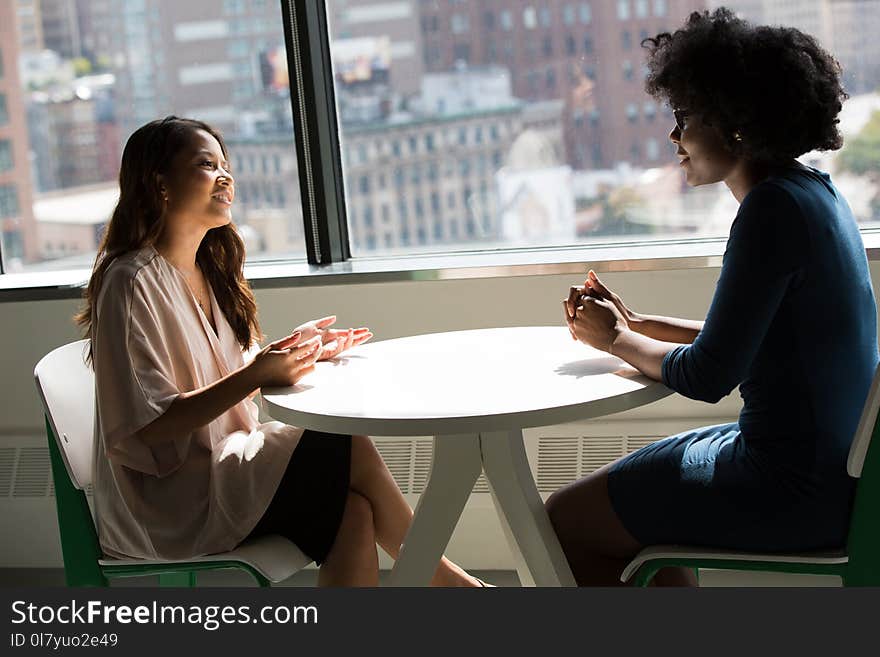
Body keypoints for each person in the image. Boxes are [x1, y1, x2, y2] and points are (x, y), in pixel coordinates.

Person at [76, 116, 486, 587]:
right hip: (170, 503)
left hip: (222, 471)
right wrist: (255, 375)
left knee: (351, 510)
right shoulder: (131, 282)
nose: (226, 176)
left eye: (225, 164)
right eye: (207, 165)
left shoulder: (208, 273)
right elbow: (147, 426)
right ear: (159, 183)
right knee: (342, 441)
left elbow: (226, 376)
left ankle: (447, 586)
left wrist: (294, 352)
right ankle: (451, 584)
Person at [545, 8, 879, 586]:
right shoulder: (813, 194)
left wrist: (616, 338)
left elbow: (708, 376)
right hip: (841, 474)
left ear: (735, 125)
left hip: (792, 488)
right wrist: (640, 324)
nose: (674, 136)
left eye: (685, 116)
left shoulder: (769, 213)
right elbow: (754, 339)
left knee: (562, 519)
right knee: (635, 505)